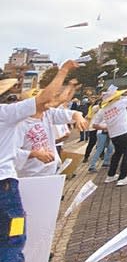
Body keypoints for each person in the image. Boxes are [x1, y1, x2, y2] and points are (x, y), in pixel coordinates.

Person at [0, 60, 78, 262]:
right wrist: (64, 70)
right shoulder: (6, 114)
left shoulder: (33, 116)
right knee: (13, 237)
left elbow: (48, 102)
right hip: (5, 188)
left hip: (16, 183)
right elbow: (45, 98)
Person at [92, 88, 127, 186]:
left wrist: (106, 127)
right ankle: (123, 177)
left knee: (117, 153)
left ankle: (111, 175)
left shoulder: (103, 110)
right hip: (125, 132)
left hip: (114, 135)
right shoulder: (121, 102)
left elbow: (94, 125)